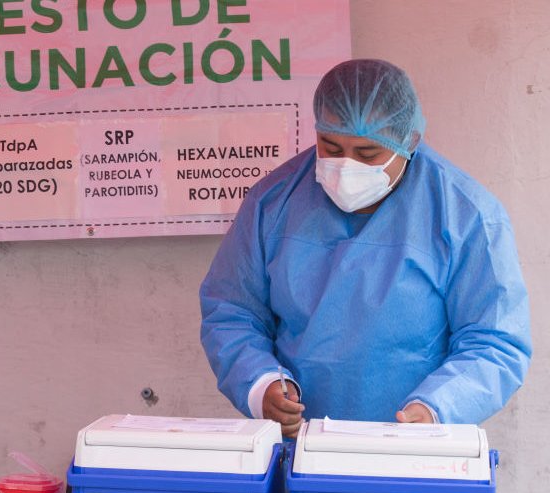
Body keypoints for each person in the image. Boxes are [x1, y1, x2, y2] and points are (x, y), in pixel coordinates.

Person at [199, 59, 531, 438]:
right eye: (331, 146)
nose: (346, 166)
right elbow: (232, 311)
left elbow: (495, 341)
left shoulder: (464, 215)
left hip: (412, 453)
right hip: (301, 448)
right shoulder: (273, 203)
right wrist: (260, 384)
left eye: (368, 154)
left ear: (409, 141)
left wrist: (437, 408)